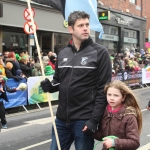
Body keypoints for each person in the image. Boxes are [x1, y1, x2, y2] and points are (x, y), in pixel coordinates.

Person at [40, 11, 112, 150]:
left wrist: (93, 120)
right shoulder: (62, 53)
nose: (85, 28)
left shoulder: (100, 52)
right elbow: (58, 81)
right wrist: (50, 86)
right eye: (80, 25)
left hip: (84, 119)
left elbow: (103, 89)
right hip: (61, 120)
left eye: (87, 24)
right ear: (71, 29)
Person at [92, 80, 142, 150]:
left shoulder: (129, 116)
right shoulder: (104, 112)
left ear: (123, 97)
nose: (111, 98)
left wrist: (114, 143)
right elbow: (102, 136)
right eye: (109, 94)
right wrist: (92, 131)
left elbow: (135, 142)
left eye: (116, 95)